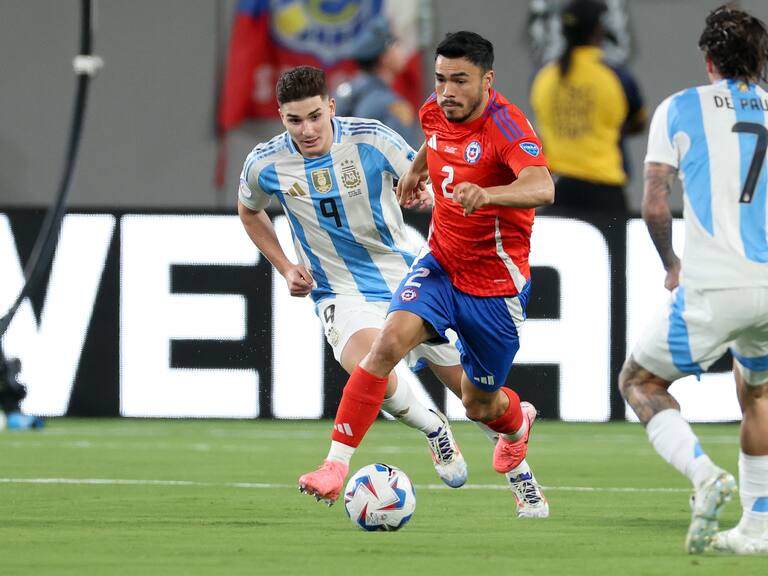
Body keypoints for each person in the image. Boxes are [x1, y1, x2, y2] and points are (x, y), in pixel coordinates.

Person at [238, 65, 549, 517]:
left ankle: (524, 479)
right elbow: (249, 212)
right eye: (293, 121)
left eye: (313, 117)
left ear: (331, 108)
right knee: (373, 367)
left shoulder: (371, 137)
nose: (305, 130)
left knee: (476, 397)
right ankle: (432, 430)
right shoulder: (265, 162)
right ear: (281, 117)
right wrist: (285, 266)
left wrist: (423, 190)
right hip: (338, 290)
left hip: (406, 273)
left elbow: (428, 171)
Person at [619, 5, 768, 555]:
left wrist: (671, 266)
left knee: (640, 382)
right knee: (758, 394)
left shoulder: (680, 108)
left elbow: (656, 204)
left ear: (708, 60)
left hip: (714, 283)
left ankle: (706, 475)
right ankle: (757, 528)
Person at [530, 0, 646, 216]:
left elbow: (540, 128)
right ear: (599, 31)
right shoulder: (615, 76)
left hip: (559, 192)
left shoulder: (544, 78)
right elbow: (639, 121)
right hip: (605, 193)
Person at [334, 16, 422, 149]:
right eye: (395, 44)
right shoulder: (390, 105)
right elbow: (408, 157)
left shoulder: (347, 93)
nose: (402, 51)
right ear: (384, 58)